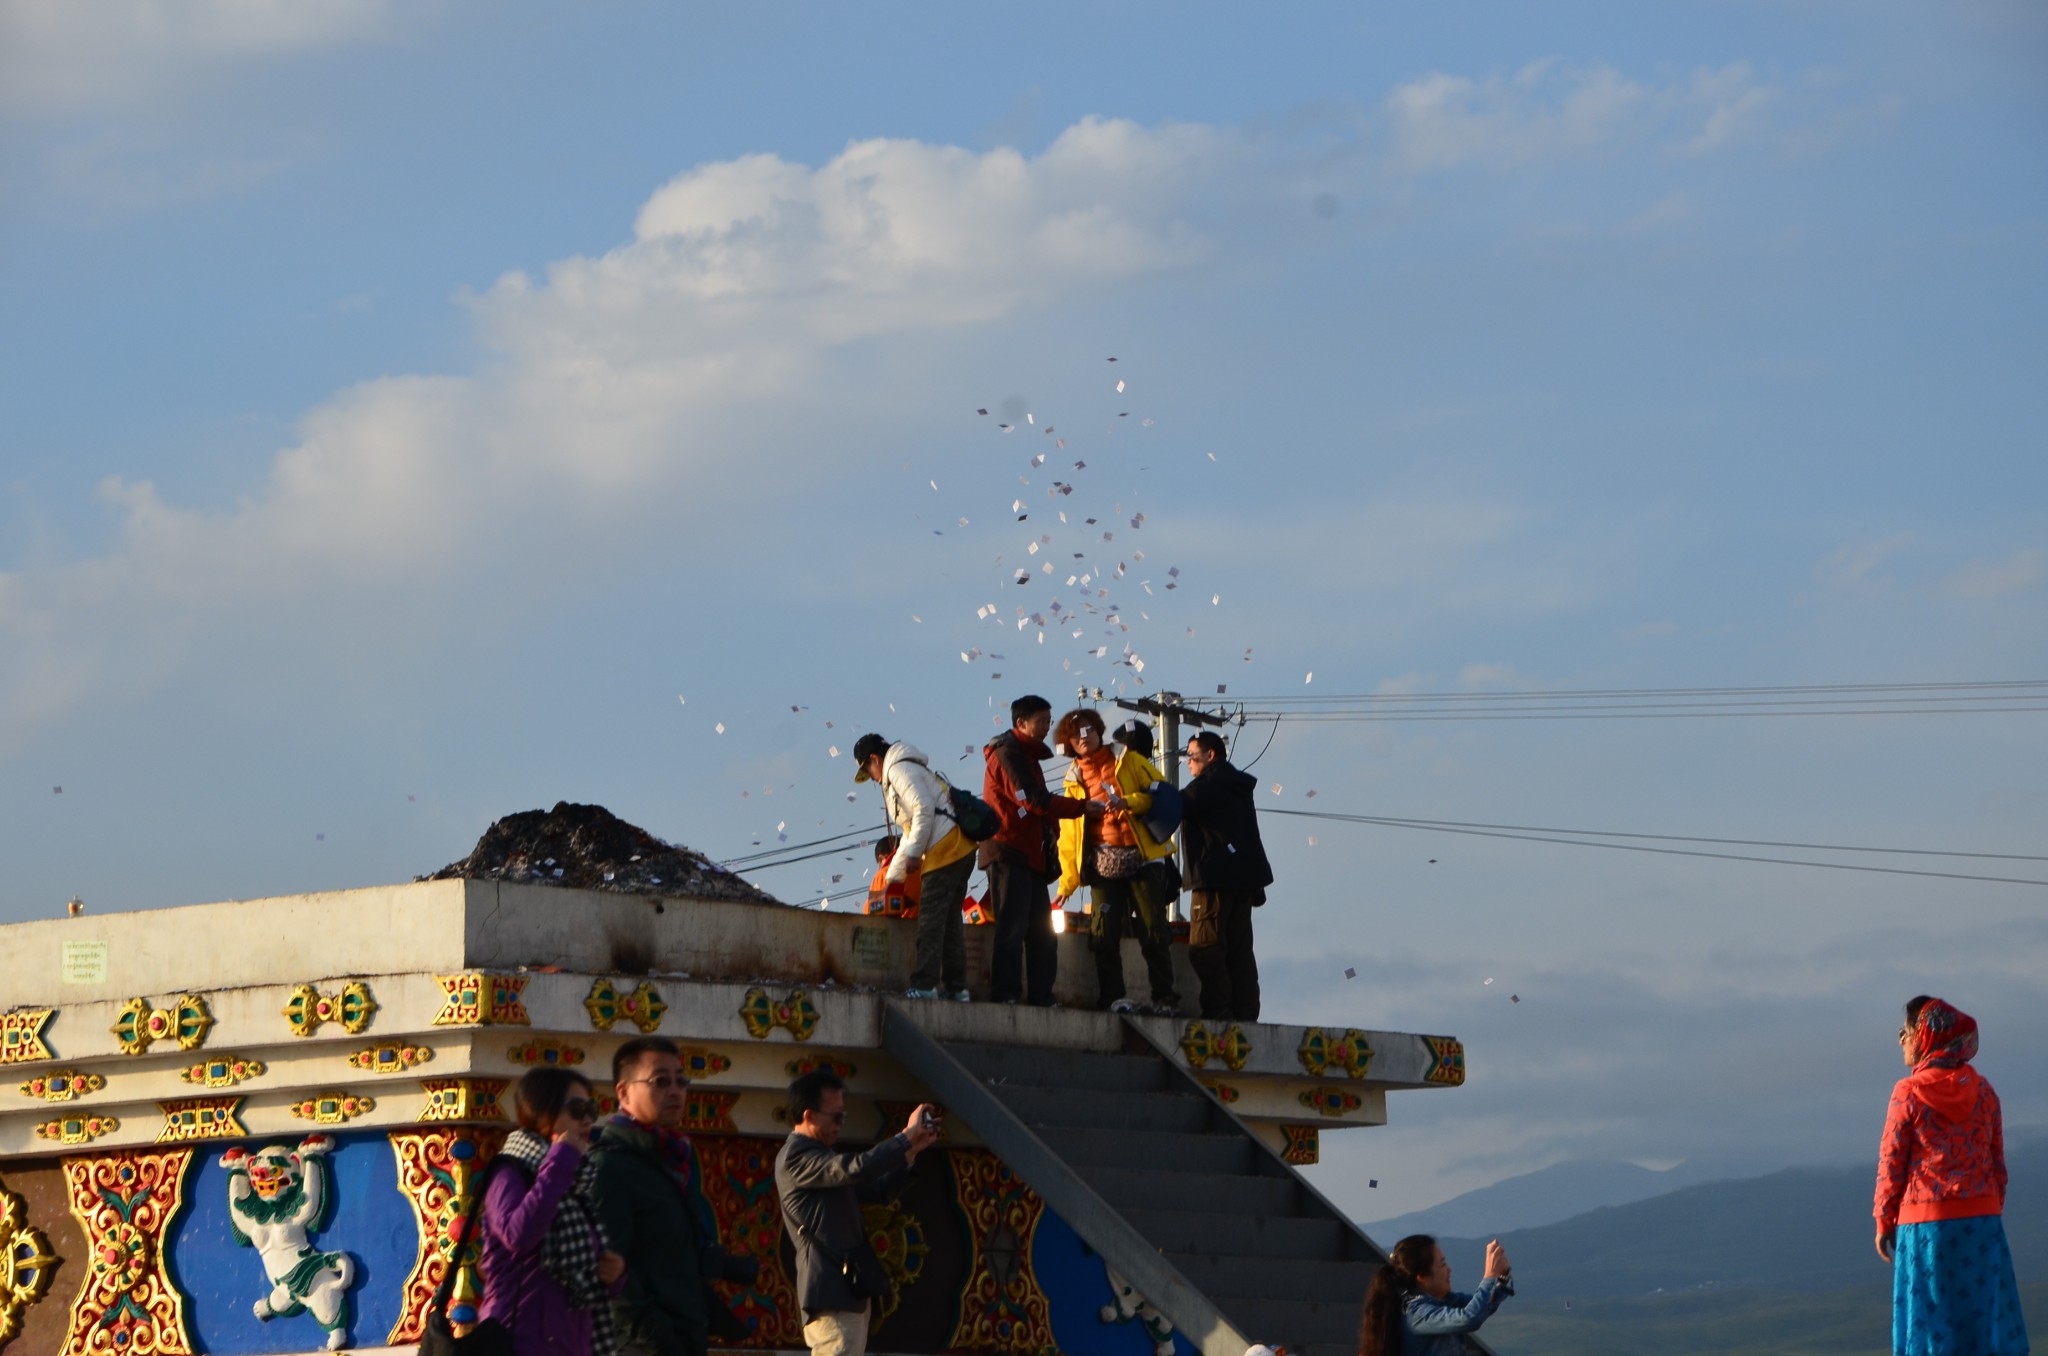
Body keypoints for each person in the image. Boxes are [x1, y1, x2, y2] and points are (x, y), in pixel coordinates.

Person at [1874, 996, 2029, 1355]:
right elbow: (1997, 1164)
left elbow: (1892, 1161)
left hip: (1927, 1225)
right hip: (1982, 1223)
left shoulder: (1907, 1092)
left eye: (1907, 1031)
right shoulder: (1985, 1091)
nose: (1902, 1039)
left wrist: (1884, 1220)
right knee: (1983, 1319)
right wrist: (1987, 1209)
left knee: (1931, 1323)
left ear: (1926, 1036)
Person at [590, 1037, 759, 1356]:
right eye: (660, 1081)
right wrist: (656, 1341)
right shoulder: (609, 1167)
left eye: (681, 1081)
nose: (675, 1091)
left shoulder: (667, 1162)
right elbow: (607, 1271)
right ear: (623, 1092)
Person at [775, 1071, 940, 1356]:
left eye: (843, 1116)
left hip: (846, 1297)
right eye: (836, 1116)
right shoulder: (796, 1157)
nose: (841, 1124)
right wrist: (904, 1138)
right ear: (809, 1115)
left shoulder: (820, 1158)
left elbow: (877, 1192)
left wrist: (911, 1151)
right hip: (832, 1298)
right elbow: (855, 1168)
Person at [479, 1068, 627, 1356]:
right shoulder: (511, 1173)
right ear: (542, 1112)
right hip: (518, 1344)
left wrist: (614, 1273)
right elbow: (519, 1235)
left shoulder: (574, 1184)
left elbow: (580, 1281)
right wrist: (560, 1159)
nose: (587, 1120)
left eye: (591, 1110)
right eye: (576, 1109)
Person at [1053, 709, 1179, 1014]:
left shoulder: (1129, 759)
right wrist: (1068, 881)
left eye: (1089, 730)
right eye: (1076, 734)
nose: (1084, 738)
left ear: (1099, 731)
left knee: (1153, 930)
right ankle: (1113, 998)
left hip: (1143, 859)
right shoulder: (1072, 780)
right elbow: (1069, 837)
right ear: (1068, 743)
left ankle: (1164, 998)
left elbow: (1159, 796)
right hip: (1102, 866)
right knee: (1103, 933)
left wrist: (1129, 802)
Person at [982, 695, 1096, 1005]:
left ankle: (1041, 996)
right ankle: (1006, 993)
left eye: (1048, 720)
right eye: (1042, 721)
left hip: (1031, 855)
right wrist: (1084, 807)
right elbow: (1033, 801)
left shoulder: (1026, 755)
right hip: (1009, 850)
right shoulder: (1007, 754)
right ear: (1021, 723)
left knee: (1042, 934)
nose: (1047, 727)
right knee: (1012, 928)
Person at [854, 732, 975, 1001]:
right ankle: (957, 989)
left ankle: (924, 986)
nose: (873, 779)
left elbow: (923, 811)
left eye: (868, 772)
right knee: (950, 923)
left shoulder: (898, 770)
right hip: (960, 848)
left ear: (874, 759)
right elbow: (909, 831)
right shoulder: (911, 767)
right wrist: (893, 879)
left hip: (945, 850)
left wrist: (914, 855)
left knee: (930, 923)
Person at [1179, 730, 1272, 1021]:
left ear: (1210, 755)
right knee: (1239, 951)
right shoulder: (1237, 787)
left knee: (1206, 948)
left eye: (1192, 757)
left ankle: (1219, 1013)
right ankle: (1245, 1015)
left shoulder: (1207, 786)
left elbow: (1174, 805)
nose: (1188, 764)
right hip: (1244, 881)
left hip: (1213, 880)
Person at [1357, 1233, 1512, 1356]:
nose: (1449, 1270)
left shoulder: (1444, 1301)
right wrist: (1489, 1276)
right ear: (1422, 1276)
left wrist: (1501, 1277)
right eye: (1443, 1264)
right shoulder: (1416, 1313)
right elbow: (1470, 1318)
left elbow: (1483, 1305)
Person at [862, 836, 919, 919]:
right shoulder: (921, 867)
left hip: (900, 928)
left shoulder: (884, 873)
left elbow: (872, 912)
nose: (880, 867)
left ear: (881, 858)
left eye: (879, 863)